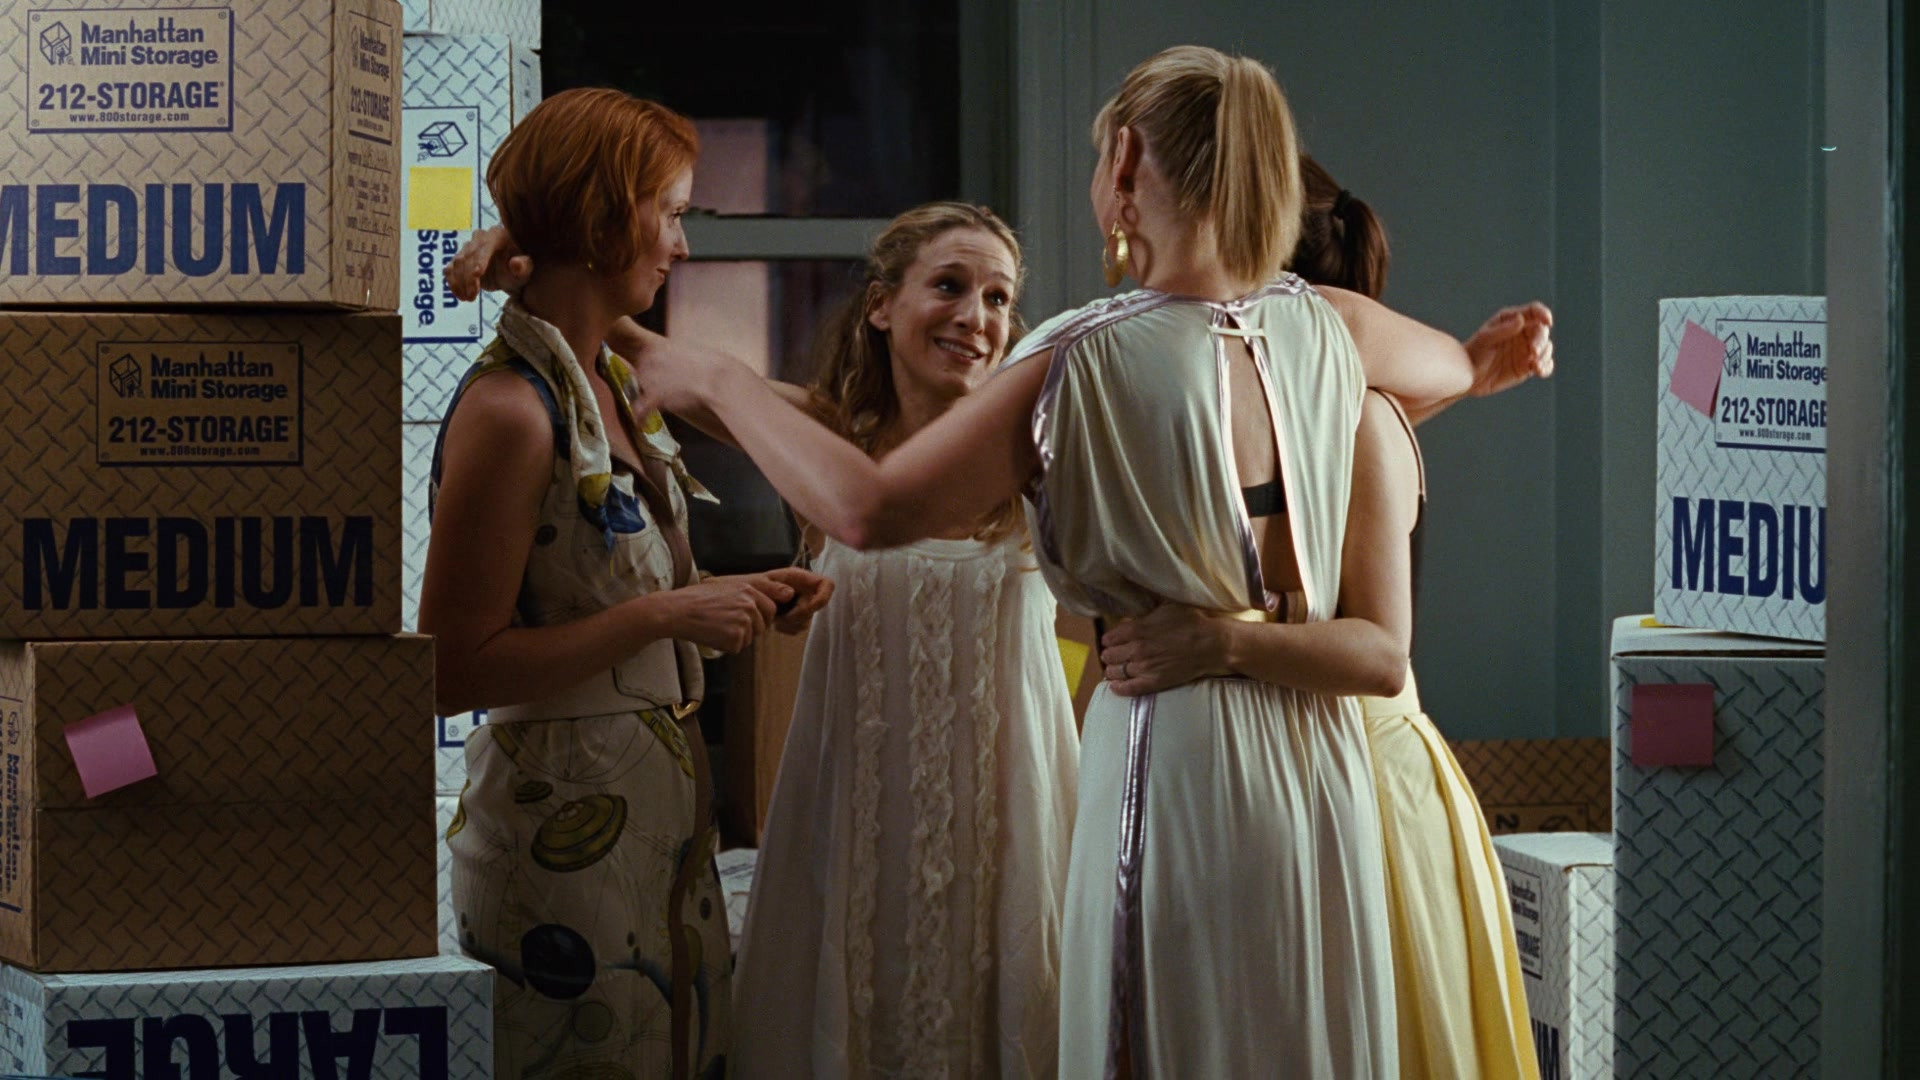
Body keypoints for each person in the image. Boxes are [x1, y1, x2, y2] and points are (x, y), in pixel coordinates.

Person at [621, 46, 1538, 1077]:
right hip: (1319, 767)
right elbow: (1452, 368)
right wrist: (1488, 359)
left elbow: (871, 509)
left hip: (1175, 753)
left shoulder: (1080, 355)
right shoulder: (1333, 325)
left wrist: (714, 378)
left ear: (1128, 160)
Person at [448, 203, 1081, 1077]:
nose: (976, 316)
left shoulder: (1041, 458)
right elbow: (640, 347)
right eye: (949, 286)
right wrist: (530, 247)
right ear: (881, 306)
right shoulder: (825, 439)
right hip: (857, 808)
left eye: (999, 298)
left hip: (1008, 809)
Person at [1096, 156, 1550, 1079]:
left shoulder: (1364, 412)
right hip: (1298, 773)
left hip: (1373, 788)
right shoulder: (1314, 422)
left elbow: (1381, 652)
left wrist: (1215, 642)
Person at [420, 86, 829, 1080]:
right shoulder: (513, 410)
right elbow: (450, 669)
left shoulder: (613, 385)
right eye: (672, 213)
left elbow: (821, 429)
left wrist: (731, 598)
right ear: (605, 217)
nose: (682, 245)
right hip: (559, 840)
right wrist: (666, 614)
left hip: (661, 825)